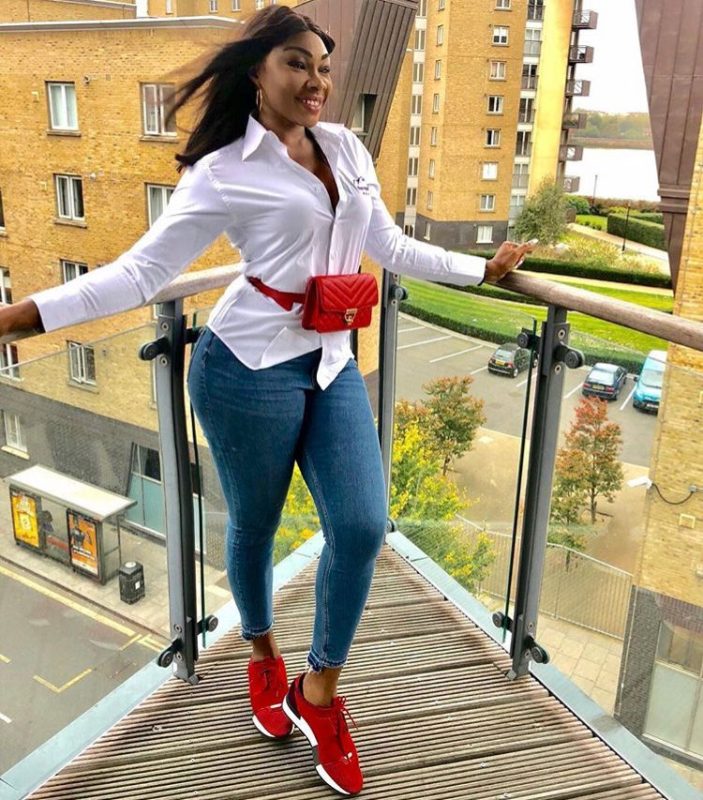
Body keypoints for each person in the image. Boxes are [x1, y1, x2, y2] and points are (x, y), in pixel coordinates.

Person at [0, 7, 533, 795]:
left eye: (323, 66)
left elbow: (385, 244)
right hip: (245, 366)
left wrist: (476, 269)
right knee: (254, 522)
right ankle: (261, 655)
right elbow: (140, 274)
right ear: (257, 70)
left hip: (332, 360)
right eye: (296, 62)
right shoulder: (222, 170)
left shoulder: (346, 147)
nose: (316, 80)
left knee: (361, 526)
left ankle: (317, 693)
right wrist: (20, 316)